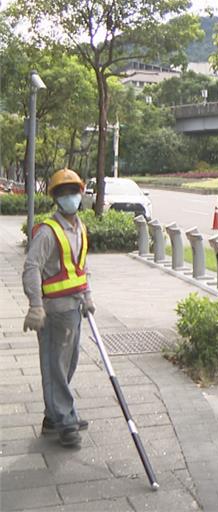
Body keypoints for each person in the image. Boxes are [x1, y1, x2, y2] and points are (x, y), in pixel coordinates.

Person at [22, 168, 94, 448]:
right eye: (63, 193)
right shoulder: (47, 232)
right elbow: (31, 267)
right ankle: (65, 421)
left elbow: (81, 267)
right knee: (55, 368)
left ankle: (53, 416)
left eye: (73, 191)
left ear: (81, 193)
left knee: (66, 365)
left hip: (74, 309)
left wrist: (87, 295)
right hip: (52, 312)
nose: (69, 197)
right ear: (55, 198)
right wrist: (35, 306)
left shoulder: (80, 228)